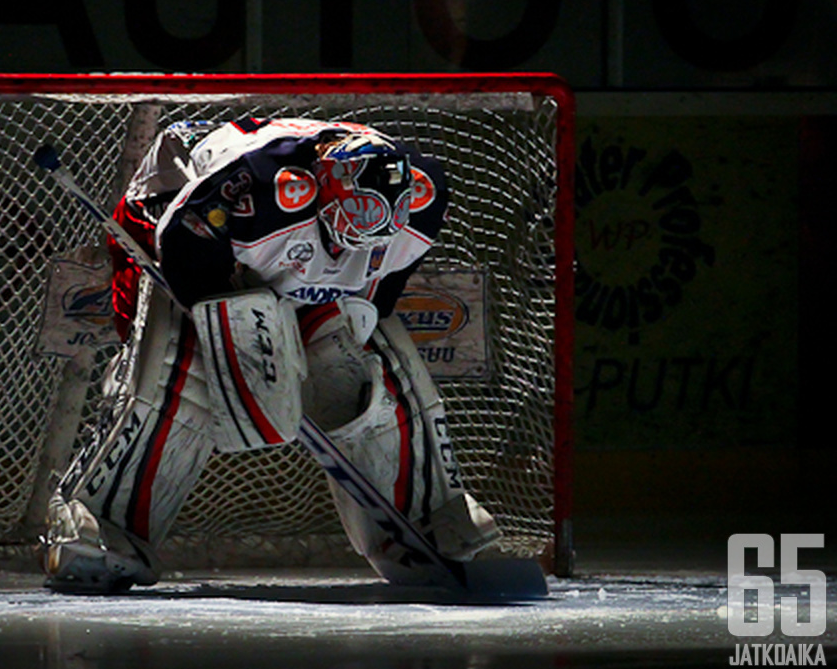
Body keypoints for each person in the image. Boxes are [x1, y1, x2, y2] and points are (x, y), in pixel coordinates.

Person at [43, 117, 499, 592]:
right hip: (179, 202)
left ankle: (425, 516)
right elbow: (183, 247)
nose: (371, 230)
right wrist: (235, 336)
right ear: (324, 187)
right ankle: (100, 522)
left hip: (270, 235)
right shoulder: (259, 186)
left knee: (367, 370)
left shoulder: (420, 196)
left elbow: (382, 284)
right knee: (179, 370)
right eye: (359, 212)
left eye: (381, 217)